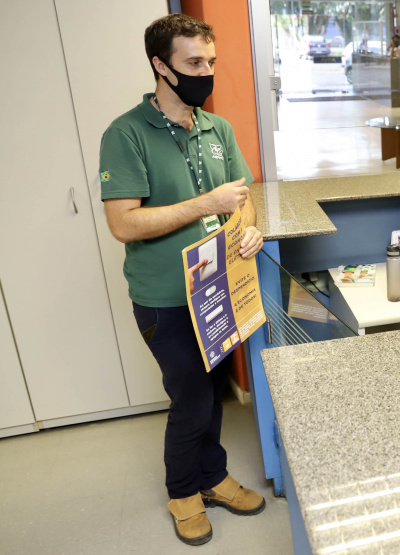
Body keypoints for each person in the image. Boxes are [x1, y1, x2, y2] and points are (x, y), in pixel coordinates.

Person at [99, 14, 265, 546]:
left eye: (211, 62)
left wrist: (250, 229)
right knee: (191, 396)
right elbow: (123, 223)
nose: (206, 72)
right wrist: (205, 205)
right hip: (166, 299)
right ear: (159, 65)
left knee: (213, 390)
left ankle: (212, 476)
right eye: (194, 63)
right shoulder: (125, 135)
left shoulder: (218, 128)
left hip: (219, 291)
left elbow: (243, 197)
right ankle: (182, 492)